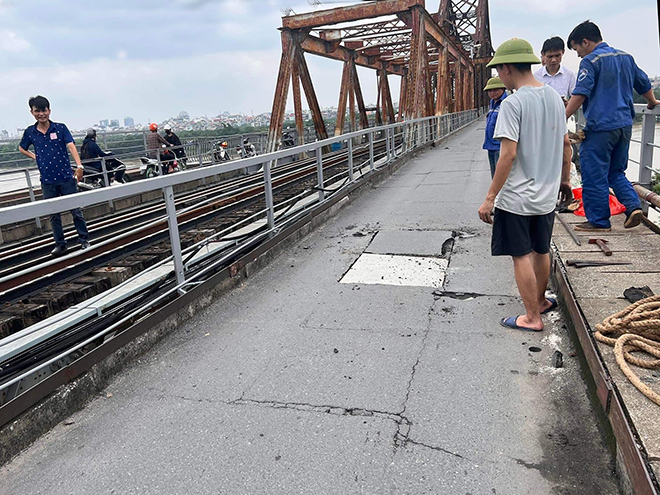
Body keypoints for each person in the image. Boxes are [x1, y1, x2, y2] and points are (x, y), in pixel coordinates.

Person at [478, 38, 572, 332]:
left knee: (520, 254)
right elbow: (565, 145)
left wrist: (490, 197)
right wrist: (565, 179)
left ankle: (532, 317)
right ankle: (541, 302)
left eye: (499, 70)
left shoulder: (513, 103)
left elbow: (507, 154)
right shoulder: (555, 99)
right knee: (541, 250)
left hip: (517, 197)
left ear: (506, 68)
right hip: (546, 194)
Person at [565, 20, 659, 232]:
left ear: (585, 41)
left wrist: (563, 116)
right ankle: (633, 207)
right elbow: (643, 83)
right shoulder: (626, 57)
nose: (578, 54)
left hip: (600, 128)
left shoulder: (591, 61)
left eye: (577, 49)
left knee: (594, 173)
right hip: (624, 125)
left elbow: (581, 92)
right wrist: (652, 102)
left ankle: (598, 221)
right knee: (616, 172)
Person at [18, 95, 90, 256]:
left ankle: (84, 239)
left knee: (75, 211)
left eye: (44, 110)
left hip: (65, 177)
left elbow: (71, 146)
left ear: (49, 111)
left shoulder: (60, 128)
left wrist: (79, 166)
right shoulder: (30, 132)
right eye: (37, 111)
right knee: (53, 215)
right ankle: (60, 244)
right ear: (32, 112)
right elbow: (22, 148)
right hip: (47, 180)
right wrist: (34, 156)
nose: (41, 114)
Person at [534, 36, 576, 102]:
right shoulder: (536, 76)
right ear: (543, 54)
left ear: (563, 52)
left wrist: (567, 103)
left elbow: (574, 97)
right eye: (550, 56)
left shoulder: (569, 75)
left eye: (557, 56)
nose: (553, 60)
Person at [482, 76, 508, 178]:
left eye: (495, 90)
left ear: (503, 89)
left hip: (500, 145)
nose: (492, 93)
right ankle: (497, 193)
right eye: (490, 91)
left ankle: (500, 193)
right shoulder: (492, 103)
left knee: (501, 175)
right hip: (490, 145)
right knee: (494, 174)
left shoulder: (507, 102)